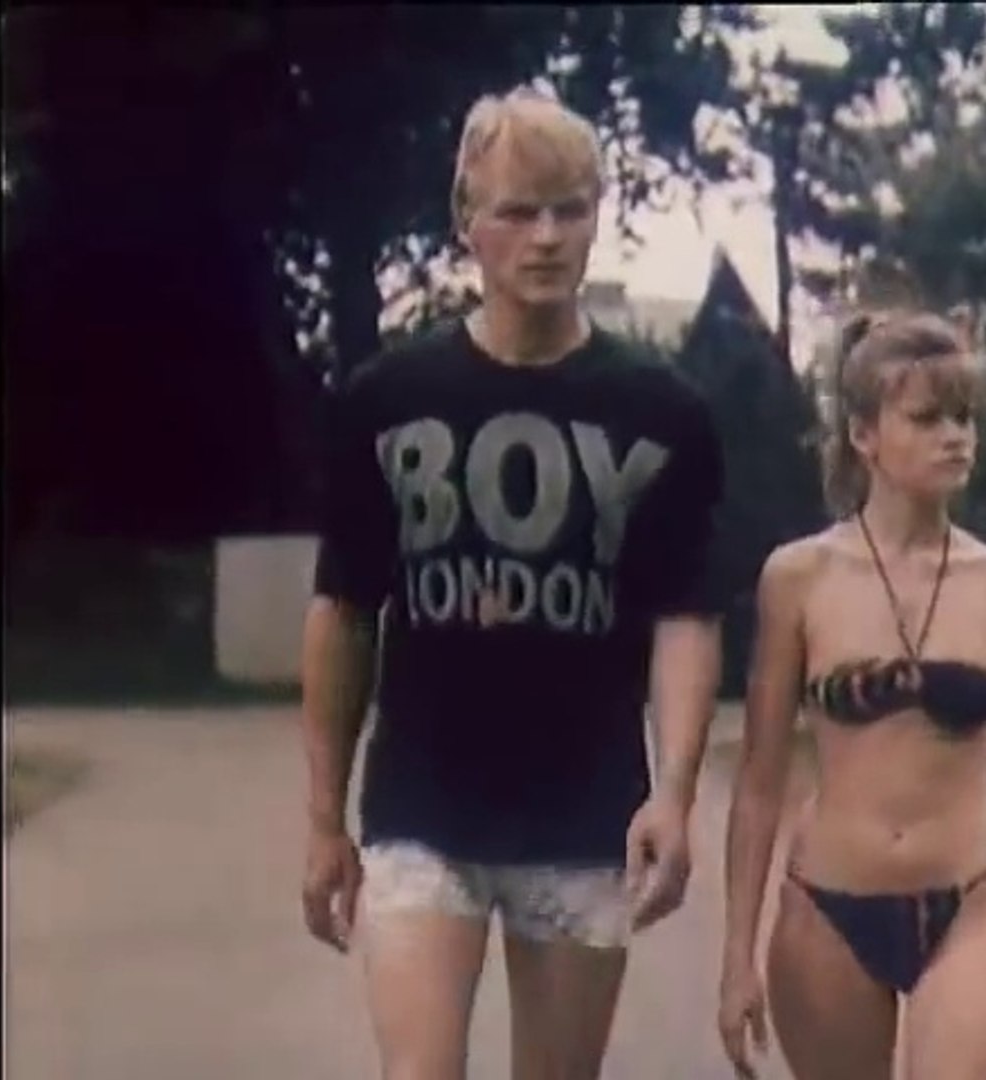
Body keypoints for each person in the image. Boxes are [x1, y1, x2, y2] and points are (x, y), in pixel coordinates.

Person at [298, 86, 726, 1080]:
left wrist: (674, 795)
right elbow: (344, 611)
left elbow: (686, 617)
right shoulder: (388, 399)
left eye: (570, 210)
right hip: (422, 808)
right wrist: (323, 821)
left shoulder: (661, 411)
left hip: (583, 811)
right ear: (467, 220)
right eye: (519, 211)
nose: (546, 237)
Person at [718, 308, 986, 1080]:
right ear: (864, 434)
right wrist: (736, 957)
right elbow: (759, 782)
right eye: (927, 418)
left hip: (972, 897)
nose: (956, 437)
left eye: (964, 417)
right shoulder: (798, 578)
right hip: (829, 904)